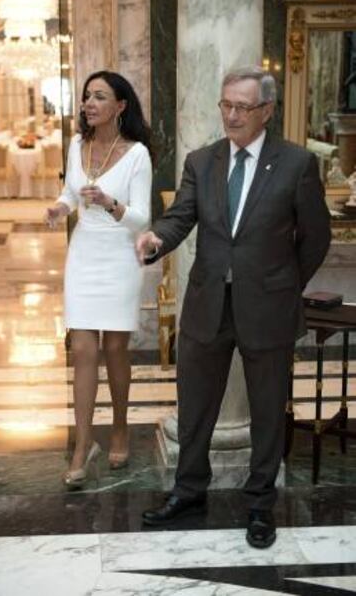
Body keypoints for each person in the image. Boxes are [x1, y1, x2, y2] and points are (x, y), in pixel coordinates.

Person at [136, 66, 331, 548]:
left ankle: (261, 504)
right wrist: (156, 238)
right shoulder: (201, 161)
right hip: (207, 303)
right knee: (196, 404)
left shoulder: (297, 164)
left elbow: (316, 237)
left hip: (269, 307)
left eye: (243, 107)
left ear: (267, 110)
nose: (231, 115)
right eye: (226, 104)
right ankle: (188, 492)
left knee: (267, 409)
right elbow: (181, 216)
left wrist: (283, 284)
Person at [46, 70, 153, 489]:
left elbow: (143, 219)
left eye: (100, 97)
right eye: (87, 96)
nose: (89, 103)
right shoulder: (76, 144)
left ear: (120, 106)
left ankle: (122, 427)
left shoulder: (138, 154)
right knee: (83, 348)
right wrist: (59, 208)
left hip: (120, 256)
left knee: (114, 347)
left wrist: (109, 203)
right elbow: (72, 194)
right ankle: (83, 444)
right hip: (84, 253)